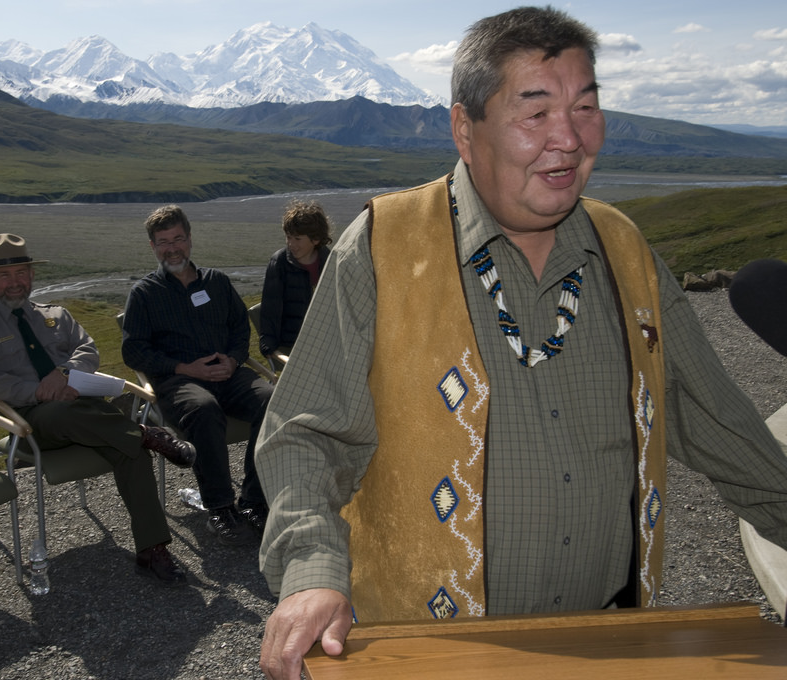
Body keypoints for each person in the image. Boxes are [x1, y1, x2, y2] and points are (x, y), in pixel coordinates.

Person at [255, 7, 787, 679]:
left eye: (585, 108)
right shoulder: (386, 246)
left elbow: (721, 422)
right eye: (535, 113)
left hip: (608, 641)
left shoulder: (625, 250)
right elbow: (305, 432)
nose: (569, 139)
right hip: (430, 654)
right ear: (464, 129)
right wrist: (311, 571)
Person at [0, 233, 194, 586]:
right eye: (4, 276)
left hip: (86, 415)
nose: (14, 283)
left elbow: (87, 349)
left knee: (130, 452)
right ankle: (147, 434)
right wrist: (41, 389)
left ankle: (152, 549)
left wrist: (65, 374)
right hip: (33, 424)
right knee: (65, 415)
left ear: (31, 276)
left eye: (21, 273)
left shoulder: (55, 315)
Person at [121, 205, 275, 546]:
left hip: (228, 373)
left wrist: (234, 361)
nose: (172, 248)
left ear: (189, 240)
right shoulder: (144, 295)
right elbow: (133, 351)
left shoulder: (217, 282)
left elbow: (238, 329)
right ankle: (220, 507)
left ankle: (253, 500)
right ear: (152, 247)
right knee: (204, 409)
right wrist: (183, 368)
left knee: (272, 401)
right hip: (180, 383)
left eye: (178, 238)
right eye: (163, 242)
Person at [258, 200, 333, 360]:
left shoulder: (331, 261)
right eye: (288, 237)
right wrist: (269, 346)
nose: (291, 244)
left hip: (327, 342)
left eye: (297, 239)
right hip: (292, 345)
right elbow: (270, 310)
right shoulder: (279, 263)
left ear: (316, 239)